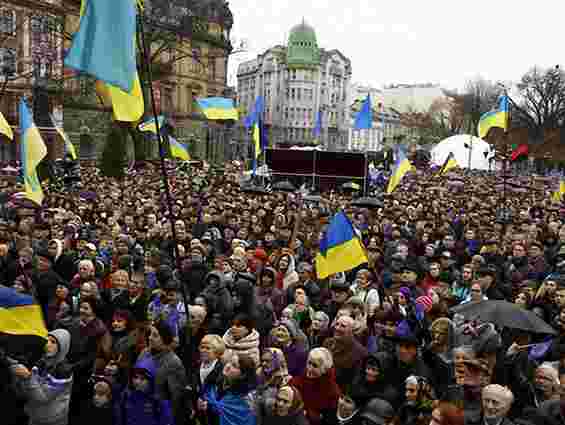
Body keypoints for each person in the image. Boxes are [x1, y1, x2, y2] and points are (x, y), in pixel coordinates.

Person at [10, 329, 73, 425]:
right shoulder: (43, 361)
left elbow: (43, 398)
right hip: (35, 414)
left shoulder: (63, 370)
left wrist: (27, 377)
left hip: (52, 419)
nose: (48, 345)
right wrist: (20, 377)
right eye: (47, 340)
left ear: (63, 346)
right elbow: (30, 389)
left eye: (53, 342)